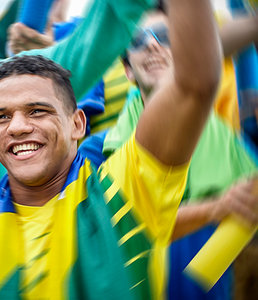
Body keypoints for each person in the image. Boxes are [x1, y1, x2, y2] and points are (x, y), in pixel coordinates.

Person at [0, 0, 221, 298]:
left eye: (37, 111)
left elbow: (193, 85)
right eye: (1, 117)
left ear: (78, 124)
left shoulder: (124, 191)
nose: (16, 127)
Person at [98, 7, 257, 300]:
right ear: (127, 71)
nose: (152, 45)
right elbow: (116, 228)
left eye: (164, 36)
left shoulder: (231, 143)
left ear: (186, 52)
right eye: (137, 41)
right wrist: (215, 207)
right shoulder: (98, 149)